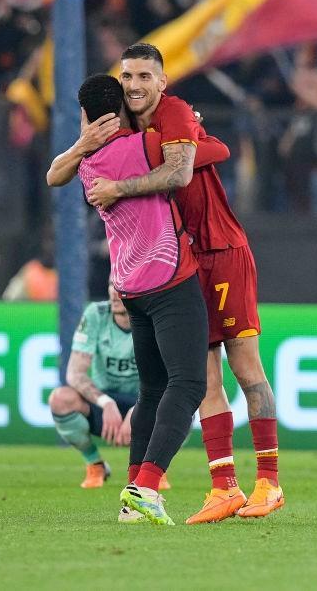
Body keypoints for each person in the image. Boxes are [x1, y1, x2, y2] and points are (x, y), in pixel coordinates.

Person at [81, 43, 284, 523]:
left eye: (144, 77)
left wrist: (193, 146)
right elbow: (210, 151)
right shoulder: (132, 129)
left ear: (162, 83)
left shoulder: (172, 112)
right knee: (205, 376)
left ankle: (269, 482)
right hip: (185, 261)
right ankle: (224, 488)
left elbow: (187, 166)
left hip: (222, 251)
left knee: (246, 368)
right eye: (127, 76)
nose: (134, 85)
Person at [59, 73, 208, 526]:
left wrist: (82, 143)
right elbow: (189, 164)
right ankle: (147, 485)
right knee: (188, 385)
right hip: (168, 278)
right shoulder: (145, 146)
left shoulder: (87, 164)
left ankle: (131, 497)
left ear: (87, 117)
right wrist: (192, 129)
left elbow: (52, 175)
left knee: (152, 389)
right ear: (122, 107)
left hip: (130, 288)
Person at [48, 283, 143, 489]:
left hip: (146, 402)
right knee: (60, 399)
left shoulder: (154, 317)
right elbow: (74, 373)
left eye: (122, 285)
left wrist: (140, 408)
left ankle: (155, 468)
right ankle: (95, 463)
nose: (114, 292)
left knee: (184, 405)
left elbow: (171, 378)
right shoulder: (96, 314)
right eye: (111, 284)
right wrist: (106, 403)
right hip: (104, 403)